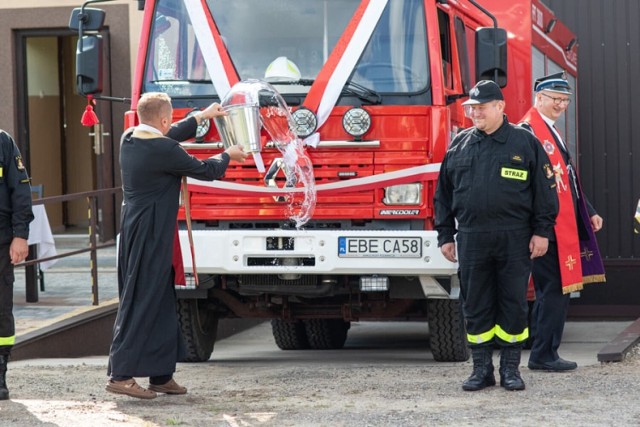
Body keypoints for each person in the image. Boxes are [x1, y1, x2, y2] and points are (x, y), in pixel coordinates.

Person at [106, 92, 248, 399]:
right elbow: (206, 170)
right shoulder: (162, 149)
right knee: (142, 301)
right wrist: (228, 155)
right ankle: (120, 374)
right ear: (163, 119)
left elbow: (171, 134)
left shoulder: (130, 138)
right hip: (150, 233)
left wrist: (202, 116)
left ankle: (161, 375)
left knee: (161, 300)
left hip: (139, 229)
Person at [434, 80, 558, 391]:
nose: (474, 112)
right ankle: (481, 370)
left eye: (481, 107)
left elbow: (545, 193)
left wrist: (542, 232)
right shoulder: (459, 144)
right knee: (475, 304)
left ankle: (511, 370)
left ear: (499, 107)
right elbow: (443, 196)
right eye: (471, 108)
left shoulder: (524, 143)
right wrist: (445, 235)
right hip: (472, 238)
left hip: (514, 238)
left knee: (513, 303)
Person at [519, 72, 605, 372]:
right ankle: (543, 354)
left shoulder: (551, 131)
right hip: (545, 227)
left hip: (556, 224)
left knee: (555, 290)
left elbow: (565, 178)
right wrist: (539, 229)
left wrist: (588, 209)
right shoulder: (529, 132)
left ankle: (546, 351)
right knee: (552, 290)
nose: (561, 105)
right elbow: (532, 187)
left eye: (565, 100)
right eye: (555, 99)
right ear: (538, 98)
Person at [0, 129, 34, 400]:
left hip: (0, 242)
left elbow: (20, 190)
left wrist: (20, 235)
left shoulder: (3, 142)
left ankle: (0, 374)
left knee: (1, 308)